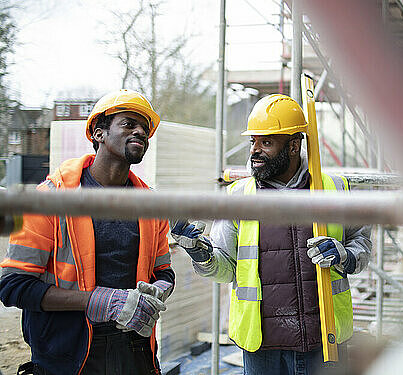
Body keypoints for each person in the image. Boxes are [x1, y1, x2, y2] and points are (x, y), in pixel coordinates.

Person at [172, 94, 371, 375]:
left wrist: (345, 256)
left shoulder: (336, 189)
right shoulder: (238, 197)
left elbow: (361, 246)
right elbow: (226, 268)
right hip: (263, 350)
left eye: (266, 142)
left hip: (324, 341)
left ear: (293, 145)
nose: (255, 150)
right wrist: (200, 253)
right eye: (253, 141)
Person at [0, 90, 175, 375]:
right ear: (99, 133)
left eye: (145, 128)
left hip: (136, 349)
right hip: (69, 355)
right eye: (129, 124)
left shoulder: (150, 204)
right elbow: (13, 286)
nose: (141, 131)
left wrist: (158, 290)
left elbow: (163, 271)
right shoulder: (50, 200)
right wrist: (98, 301)